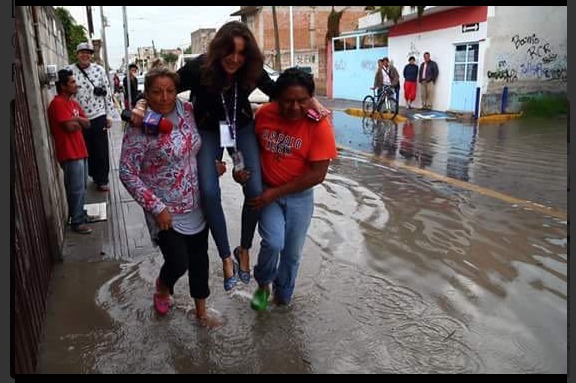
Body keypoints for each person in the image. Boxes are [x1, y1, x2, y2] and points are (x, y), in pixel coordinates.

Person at [131, 21, 328, 292]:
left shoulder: (251, 69)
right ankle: (225, 256)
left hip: (241, 127)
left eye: (241, 53)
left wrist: (312, 101)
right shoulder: (200, 67)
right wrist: (141, 105)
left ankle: (244, 249)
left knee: (256, 189)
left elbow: (278, 90)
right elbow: (165, 86)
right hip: (209, 129)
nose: (235, 59)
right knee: (209, 192)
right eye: (229, 51)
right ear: (218, 49)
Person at [119, 68, 223, 327]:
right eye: (156, 91)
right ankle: (163, 285)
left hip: (196, 201)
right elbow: (126, 172)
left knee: (200, 259)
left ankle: (201, 312)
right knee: (178, 262)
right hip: (165, 208)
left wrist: (212, 167)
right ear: (146, 93)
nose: (164, 97)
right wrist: (156, 207)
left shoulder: (186, 110)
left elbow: (196, 146)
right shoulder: (139, 125)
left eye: (170, 91)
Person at [245, 68, 337, 311]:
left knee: (292, 253)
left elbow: (318, 174)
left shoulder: (319, 124)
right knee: (274, 242)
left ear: (311, 99)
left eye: (302, 101)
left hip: (299, 196)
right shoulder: (264, 115)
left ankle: (283, 295)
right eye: (288, 101)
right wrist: (238, 169)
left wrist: (275, 193)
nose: (295, 107)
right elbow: (245, 147)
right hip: (268, 193)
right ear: (276, 98)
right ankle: (263, 284)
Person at [48, 69, 93, 235]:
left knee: (81, 187)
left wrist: (76, 119)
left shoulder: (73, 104)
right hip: (69, 152)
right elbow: (68, 127)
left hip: (80, 150)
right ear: (63, 85)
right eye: (72, 82)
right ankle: (77, 221)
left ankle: (80, 214)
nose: (76, 85)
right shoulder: (58, 103)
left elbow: (87, 124)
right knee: (75, 188)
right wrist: (77, 121)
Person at [67, 42, 116, 193]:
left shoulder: (99, 70)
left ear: (91, 55)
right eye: (82, 52)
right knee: (86, 149)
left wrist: (109, 115)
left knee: (101, 149)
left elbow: (107, 93)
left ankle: (102, 180)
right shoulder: (69, 70)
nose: (85, 55)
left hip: (98, 114)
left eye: (88, 53)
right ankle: (94, 174)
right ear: (77, 54)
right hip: (79, 117)